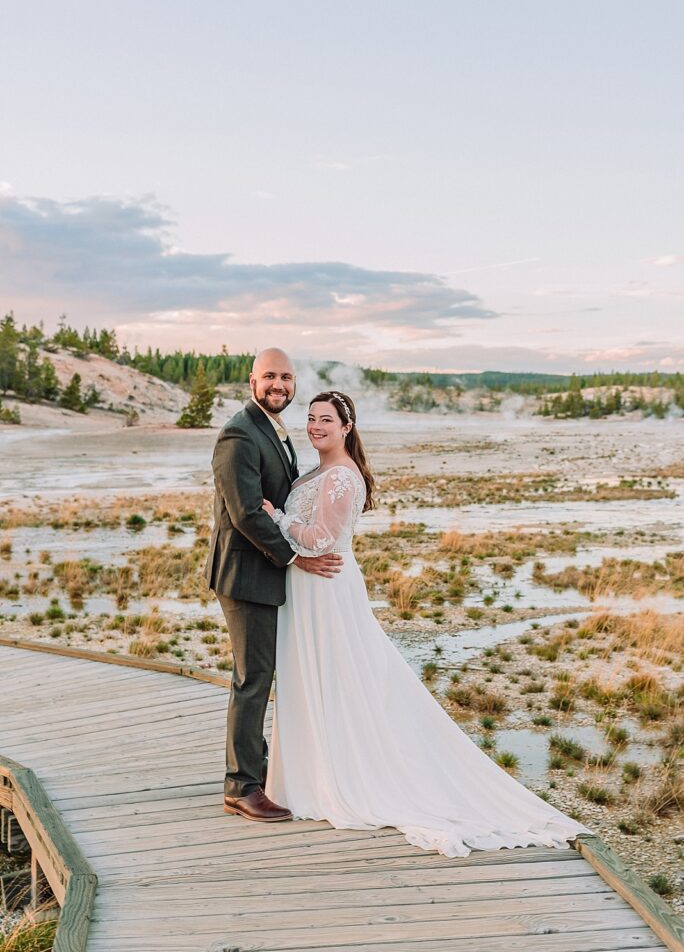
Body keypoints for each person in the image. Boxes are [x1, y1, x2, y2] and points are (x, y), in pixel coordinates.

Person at [262, 391, 588, 857]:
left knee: (342, 678)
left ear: (347, 428)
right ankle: (311, 773)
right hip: (308, 589)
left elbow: (322, 539)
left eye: (326, 420)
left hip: (326, 588)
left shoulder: (341, 477)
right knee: (319, 679)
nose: (315, 427)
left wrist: (279, 519)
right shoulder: (318, 470)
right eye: (311, 419)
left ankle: (343, 774)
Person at [205, 349, 342, 823]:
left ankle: (256, 772)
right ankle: (241, 787)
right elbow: (244, 513)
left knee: (260, 675)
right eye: (269, 376)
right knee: (253, 679)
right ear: (252, 380)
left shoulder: (275, 431)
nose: (278, 384)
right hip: (245, 575)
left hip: (264, 572)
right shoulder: (240, 434)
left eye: (285, 376)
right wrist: (295, 556)